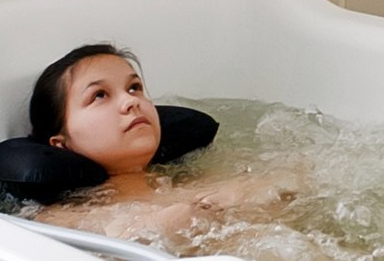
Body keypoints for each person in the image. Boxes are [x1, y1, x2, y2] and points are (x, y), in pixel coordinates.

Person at [25, 44, 293, 233]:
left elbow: (295, 182)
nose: (131, 101)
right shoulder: (62, 218)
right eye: (99, 95)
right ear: (62, 144)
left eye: (134, 87)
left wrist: (253, 192)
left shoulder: (201, 182)